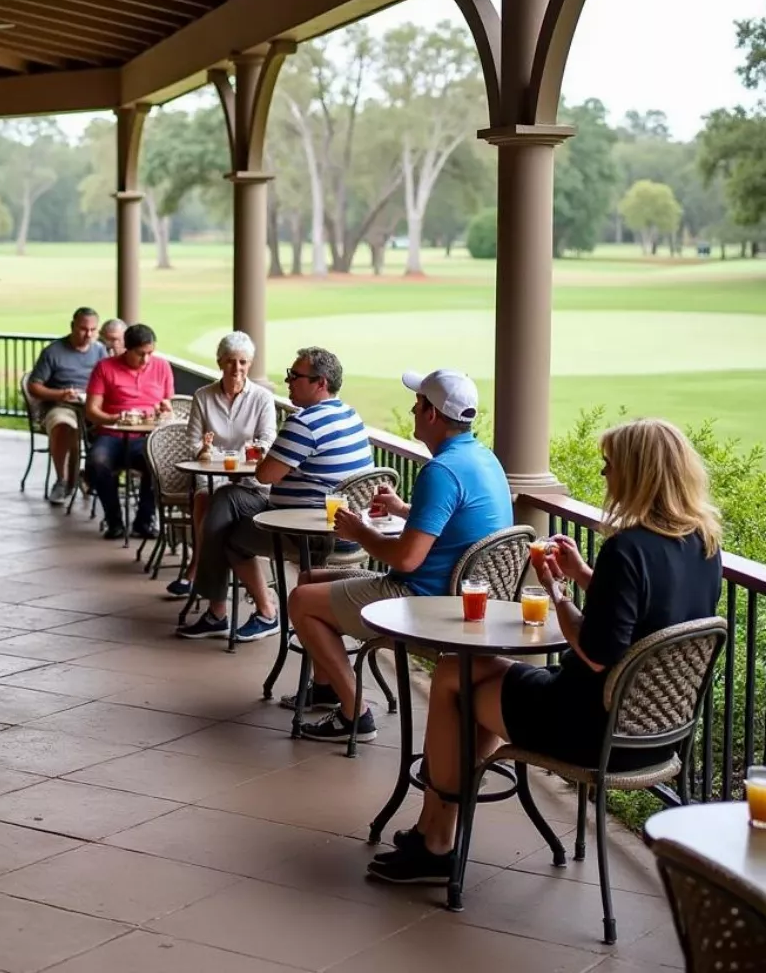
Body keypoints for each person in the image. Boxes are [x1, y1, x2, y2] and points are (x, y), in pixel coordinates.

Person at [367, 417, 722, 886]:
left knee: (455, 675)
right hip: (651, 734)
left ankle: (437, 840)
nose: (604, 476)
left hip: (585, 723)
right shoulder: (704, 544)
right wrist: (583, 574)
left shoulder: (627, 548)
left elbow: (597, 653)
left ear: (637, 474)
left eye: (610, 465)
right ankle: (435, 831)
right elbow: (650, 613)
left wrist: (557, 590)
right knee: (466, 676)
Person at [288, 369, 511, 743]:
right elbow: (454, 522)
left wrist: (359, 532)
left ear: (432, 415)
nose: (412, 407)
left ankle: (354, 713)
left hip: (424, 603)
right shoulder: (482, 458)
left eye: (418, 402)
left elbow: (406, 560)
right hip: (462, 598)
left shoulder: (440, 470)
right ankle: (328, 687)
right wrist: (404, 508)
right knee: (310, 580)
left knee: (300, 601)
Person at [177, 347, 373, 644]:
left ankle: (257, 612)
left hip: (310, 533)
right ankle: (224, 611)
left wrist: (273, 457)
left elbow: (265, 475)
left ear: (320, 383)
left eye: (295, 376)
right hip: (351, 531)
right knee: (226, 498)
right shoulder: (349, 414)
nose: (288, 381)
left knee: (225, 531)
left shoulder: (304, 422)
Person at [165, 331, 277, 600]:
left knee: (224, 506)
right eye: (229, 361)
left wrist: (240, 453)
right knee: (204, 498)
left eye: (242, 362)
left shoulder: (262, 398)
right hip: (211, 473)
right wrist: (209, 451)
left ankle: (198, 574)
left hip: (251, 477)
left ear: (249, 364)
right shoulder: (203, 396)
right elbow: (193, 444)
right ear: (219, 363)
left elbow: (268, 440)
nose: (236, 368)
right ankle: (200, 572)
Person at [84, 322, 174, 541]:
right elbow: (91, 411)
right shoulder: (105, 367)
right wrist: (114, 418)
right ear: (127, 349)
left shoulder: (162, 366)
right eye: (140, 354)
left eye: (150, 353)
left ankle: (144, 522)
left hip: (146, 436)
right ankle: (114, 521)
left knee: (158, 462)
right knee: (97, 461)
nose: (146, 360)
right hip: (112, 433)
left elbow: (168, 404)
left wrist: (165, 410)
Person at [28, 307, 106, 504]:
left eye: (92, 330)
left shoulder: (99, 350)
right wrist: (61, 394)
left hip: (91, 404)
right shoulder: (53, 352)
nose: (88, 334)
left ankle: (92, 478)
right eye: (83, 329)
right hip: (61, 404)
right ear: (72, 326)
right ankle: (62, 481)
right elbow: (34, 386)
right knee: (64, 425)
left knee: (111, 428)